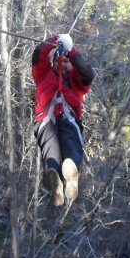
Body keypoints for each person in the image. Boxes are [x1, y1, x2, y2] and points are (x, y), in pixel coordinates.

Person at [32, 33, 95, 206]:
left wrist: (71, 50)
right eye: (59, 60)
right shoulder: (43, 75)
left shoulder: (78, 82)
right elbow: (39, 55)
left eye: (66, 61)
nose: (62, 62)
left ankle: (70, 173)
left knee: (71, 141)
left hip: (68, 117)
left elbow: (88, 74)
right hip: (46, 119)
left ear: (72, 65)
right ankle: (54, 181)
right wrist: (54, 40)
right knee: (50, 149)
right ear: (51, 64)